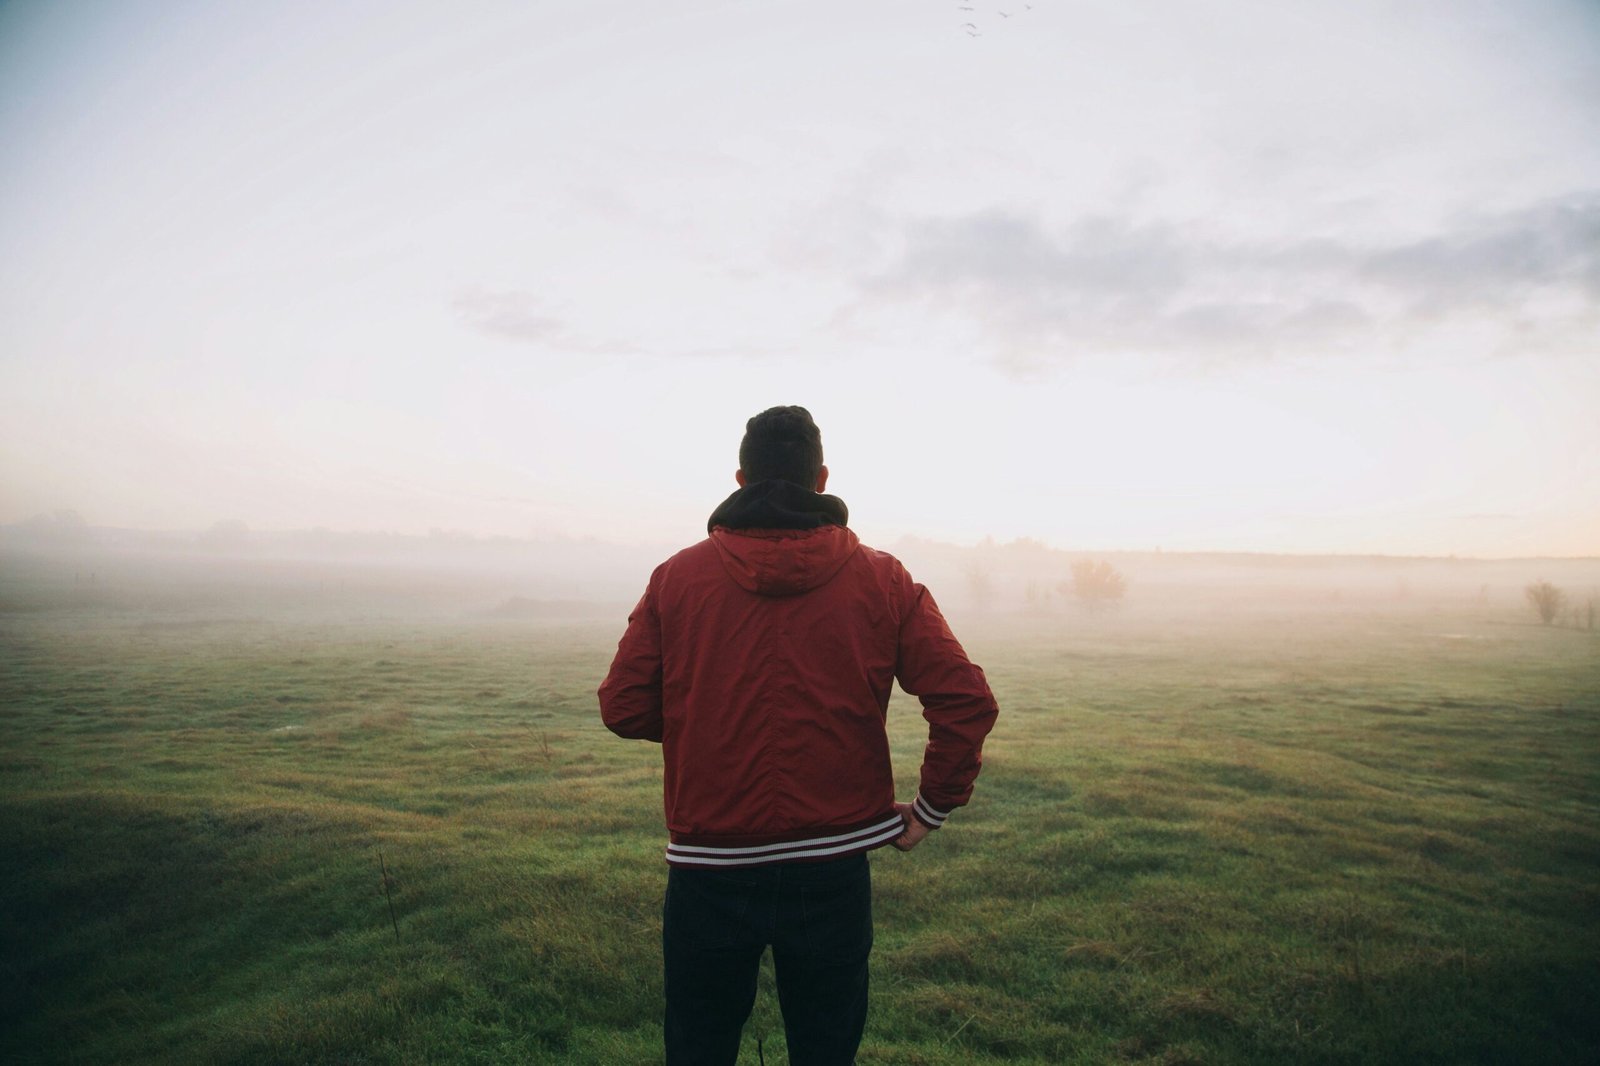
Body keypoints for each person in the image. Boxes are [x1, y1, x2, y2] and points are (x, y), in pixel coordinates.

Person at [598, 405, 998, 1065]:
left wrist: (707, 716)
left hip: (709, 870)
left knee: (698, 1049)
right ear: (822, 478)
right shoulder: (884, 578)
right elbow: (966, 697)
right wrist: (930, 810)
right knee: (825, 1051)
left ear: (739, 478)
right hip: (834, 869)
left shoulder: (677, 578)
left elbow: (622, 706)